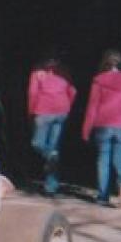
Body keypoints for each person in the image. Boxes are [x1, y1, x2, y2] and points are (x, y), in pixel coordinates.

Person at [80, 48, 121, 207]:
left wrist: (86, 130)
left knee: (103, 161)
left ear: (104, 63)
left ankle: (102, 196)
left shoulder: (99, 80)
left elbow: (92, 107)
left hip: (103, 125)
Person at [27, 56, 77, 196]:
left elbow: (32, 93)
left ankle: (49, 157)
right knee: (54, 148)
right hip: (61, 112)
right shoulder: (63, 71)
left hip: (43, 111)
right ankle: (51, 186)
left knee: (37, 143)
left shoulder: (37, 72)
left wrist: (31, 112)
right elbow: (73, 91)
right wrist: (67, 105)